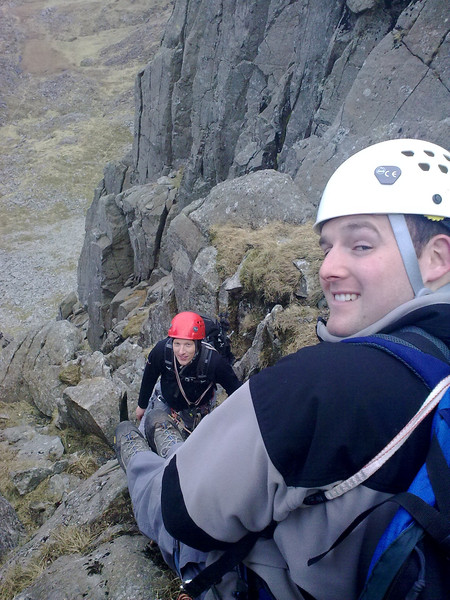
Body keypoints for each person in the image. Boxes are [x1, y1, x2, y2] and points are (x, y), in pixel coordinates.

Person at [114, 138, 450, 600]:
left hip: (248, 567)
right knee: (162, 429)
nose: (329, 267)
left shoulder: (320, 385)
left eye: (361, 243)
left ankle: (129, 442)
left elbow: (178, 508)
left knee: (152, 470)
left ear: (437, 258)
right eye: (327, 246)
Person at [136, 311, 241, 456]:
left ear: (197, 344)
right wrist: (142, 406)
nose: (181, 351)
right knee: (145, 437)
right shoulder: (161, 351)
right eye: (177, 344)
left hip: (197, 409)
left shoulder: (214, 362)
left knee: (192, 449)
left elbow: (236, 390)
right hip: (166, 400)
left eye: (188, 345)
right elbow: (149, 377)